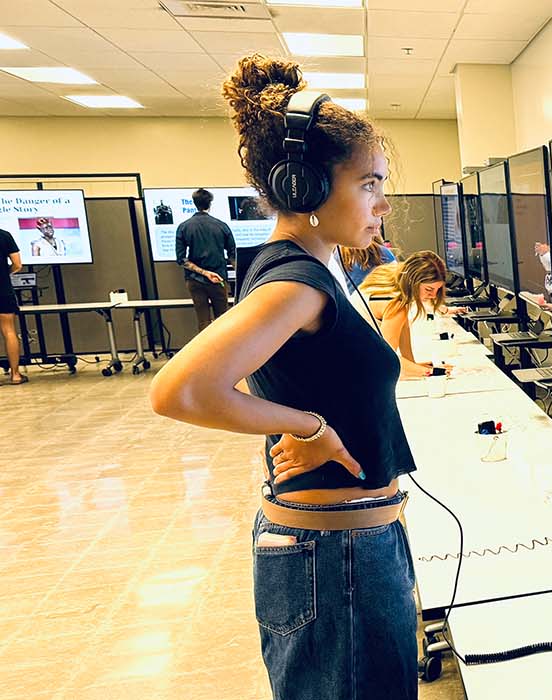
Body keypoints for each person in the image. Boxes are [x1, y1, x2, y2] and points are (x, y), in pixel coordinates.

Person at [148, 54, 418, 700]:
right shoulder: (294, 284)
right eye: (367, 184)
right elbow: (178, 391)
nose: (382, 202)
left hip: (345, 548)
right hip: (336, 560)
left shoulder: (312, 270)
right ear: (304, 187)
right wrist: (309, 425)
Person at [358, 251, 453, 379]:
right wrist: (434, 372)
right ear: (413, 282)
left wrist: (413, 365)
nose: (434, 296)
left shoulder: (388, 277)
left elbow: (403, 329)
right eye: (429, 289)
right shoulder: (395, 304)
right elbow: (386, 359)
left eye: (438, 290)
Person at [174, 188, 237, 331]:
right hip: (219, 279)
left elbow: (181, 259)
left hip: (194, 280)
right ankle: (225, 351)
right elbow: (233, 255)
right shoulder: (221, 226)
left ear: (194, 203)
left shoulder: (183, 227)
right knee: (222, 319)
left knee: (203, 321)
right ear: (210, 203)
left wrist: (203, 272)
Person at [0, 227, 24, 385]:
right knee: (9, 331)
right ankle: (15, 375)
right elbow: (17, 264)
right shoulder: (4, 235)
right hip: (3, 289)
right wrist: (4, 272)